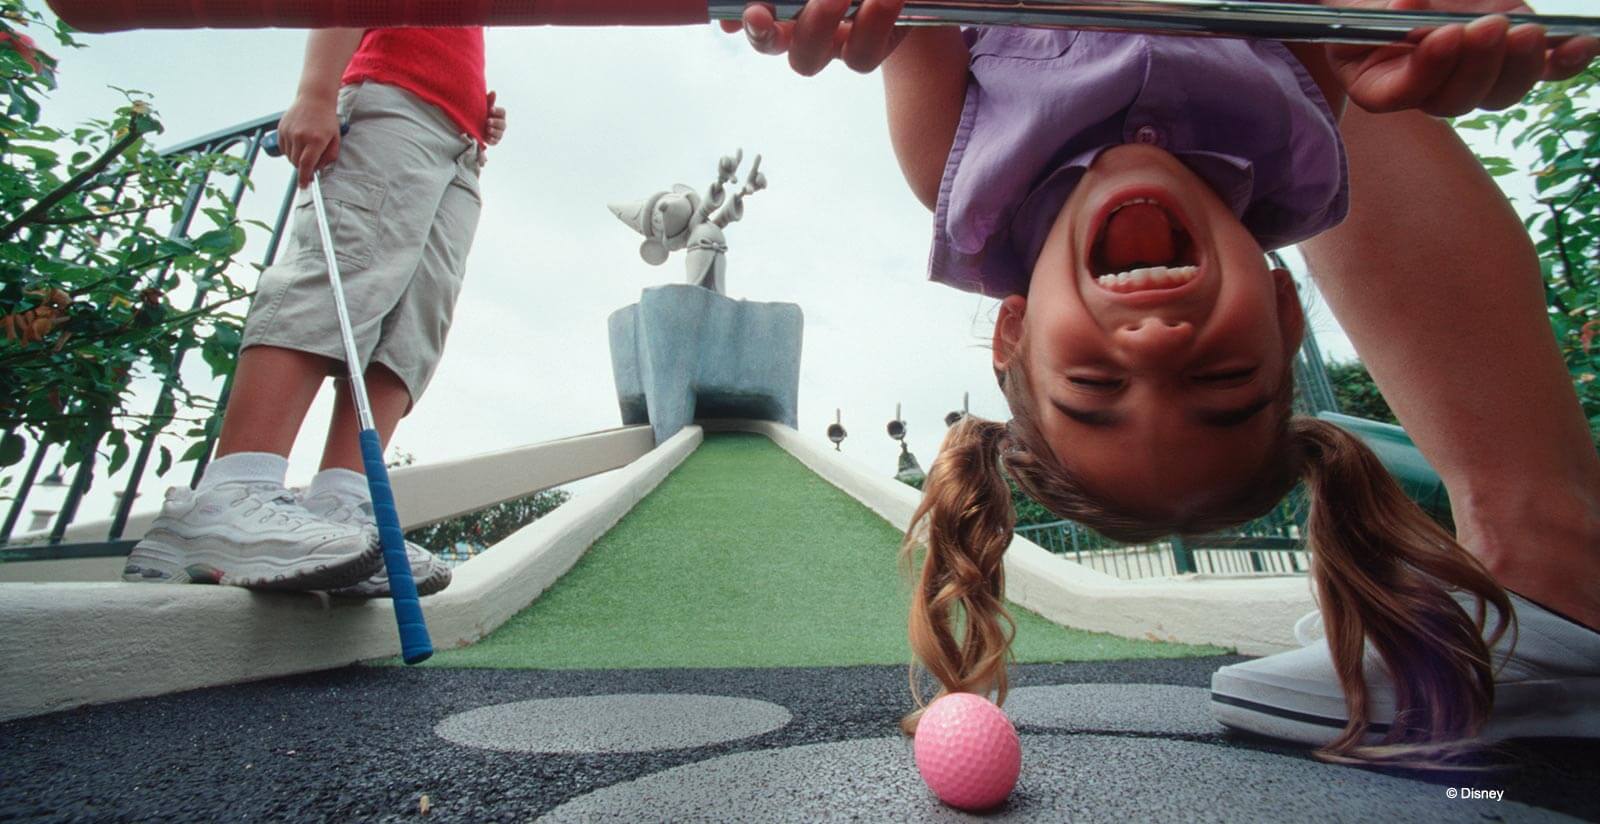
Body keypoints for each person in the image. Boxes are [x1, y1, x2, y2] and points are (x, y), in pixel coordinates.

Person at [728, 0, 1599, 762]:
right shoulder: (1297, 146)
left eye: (1094, 388)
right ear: (1284, 309)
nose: (1155, 345)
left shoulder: (964, 178)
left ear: (1015, 330)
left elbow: (903, 15)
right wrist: (1397, 17)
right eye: (1219, 374)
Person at [122, 27, 507, 597]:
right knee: (341, 277)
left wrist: (475, 111)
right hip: (391, 104)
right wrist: (316, 92)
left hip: (461, 144)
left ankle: (343, 501)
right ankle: (229, 494)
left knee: (413, 323)